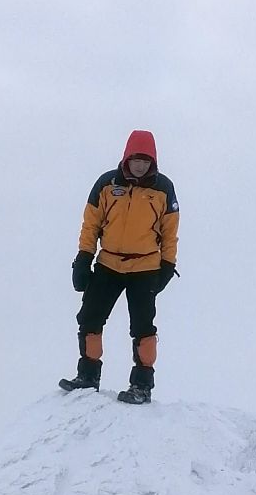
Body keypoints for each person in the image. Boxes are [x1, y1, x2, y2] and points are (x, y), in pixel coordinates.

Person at [59, 129, 179, 404]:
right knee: (90, 318)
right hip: (108, 265)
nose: (140, 166)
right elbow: (91, 224)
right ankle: (88, 376)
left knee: (143, 327)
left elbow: (170, 231)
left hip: (145, 268)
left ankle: (142, 385)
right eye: (136, 160)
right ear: (126, 158)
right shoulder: (106, 184)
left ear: (153, 162)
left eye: (145, 161)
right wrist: (83, 258)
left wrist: (168, 264)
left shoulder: (163, 188)